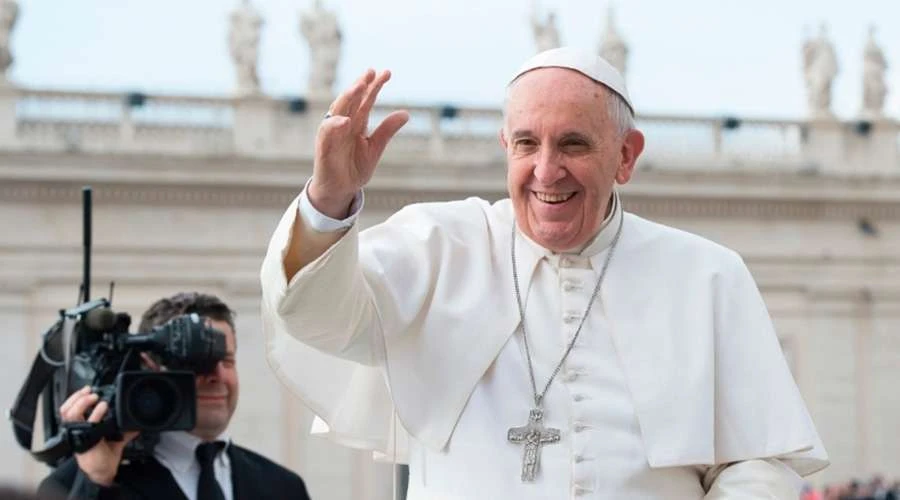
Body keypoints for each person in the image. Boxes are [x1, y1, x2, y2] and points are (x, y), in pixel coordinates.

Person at [260, 47, 829, 498]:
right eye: (527, 144)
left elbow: (761, 457)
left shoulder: (708, 275)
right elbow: (315, 316)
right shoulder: (436, 245)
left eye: (574, 144)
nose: (546, 170)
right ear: (506, 145)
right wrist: (329, 200)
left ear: (626, 156)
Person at [38, 292, 311, 500]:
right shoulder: (72, 484)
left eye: (227, 361)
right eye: (199, 363)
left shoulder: (282, 487)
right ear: (150, 368)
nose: (216, 375)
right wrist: (96, 482)